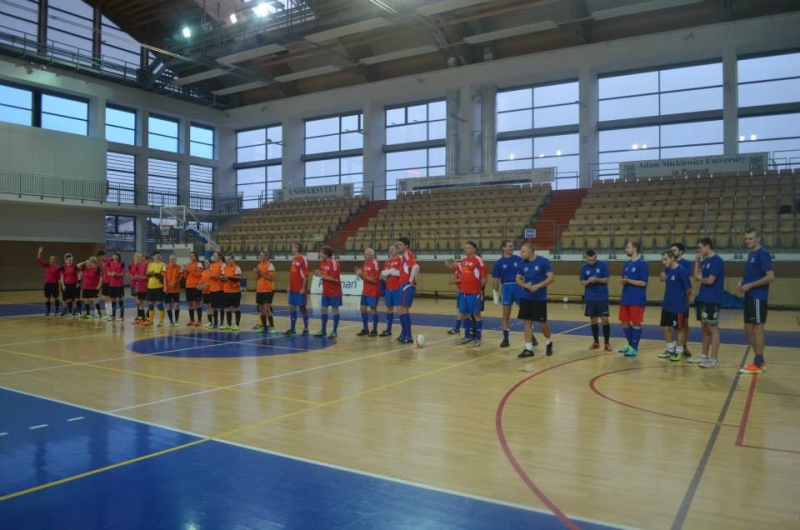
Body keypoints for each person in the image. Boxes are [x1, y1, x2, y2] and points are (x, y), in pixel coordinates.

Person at [737, 228, 775, 375]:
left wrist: (750, 285)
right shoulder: (752, 254)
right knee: (747, 327)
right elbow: (752, 275)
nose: (748, 241)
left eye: (751, 238)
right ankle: (760, 360)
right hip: (750, 296)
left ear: (758, 238)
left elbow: (770, 276)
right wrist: (742, 283)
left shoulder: (763, 253)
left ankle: (758, 362)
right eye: (746, 238)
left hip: (758, 296)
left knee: (758, 328)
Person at [688, 237, 724, 368]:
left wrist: (701, 278)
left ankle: (714, 360)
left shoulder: (717, 261)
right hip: (703, 297)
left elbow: (710, 281)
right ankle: (704, 355)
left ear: (707, 246)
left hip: (712, 298)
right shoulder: (706, 261)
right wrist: (697, 261)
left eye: (700, 248)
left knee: (713, 328)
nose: (699, 250)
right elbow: (696, 277)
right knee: (704, 328)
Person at [515, 242, 555, 358]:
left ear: (531, 251)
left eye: (523, 251)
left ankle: (549, 342)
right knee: (527, 322)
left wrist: (539, 285)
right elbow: (517, 278)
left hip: (539, 298)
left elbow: (551, 277)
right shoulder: (522, 263)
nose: (521, 254)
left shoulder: (543, 261)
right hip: (526, 297)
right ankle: (528, 348)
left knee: (542, 323)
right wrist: (524, 285)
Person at [658, 250, 692, 361]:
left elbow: (688, 289)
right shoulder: (667, 269)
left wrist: (684, 302)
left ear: (672, 258)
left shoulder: (681, 271)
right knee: (665, 327)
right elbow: (662, 277)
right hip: (667, 305)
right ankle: (670, 349)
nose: (663, 262)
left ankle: (679, 351)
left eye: (665, 259)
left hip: (678, 306)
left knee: (679, 329)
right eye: (662, 259)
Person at [618, 241, 649, 357]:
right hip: (626, 297)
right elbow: (623, 279)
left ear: (634, 249)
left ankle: (634, 348)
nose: (626, 249)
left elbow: (643, 283)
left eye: (628, 247)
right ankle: (630, 345)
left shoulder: (642, 264)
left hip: (637, 298)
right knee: (624, 321)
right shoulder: (627, 264)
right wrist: (622, 281)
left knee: (636, 323)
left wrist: (628, 281)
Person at [492, 240, 525, 348]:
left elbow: (526, 272)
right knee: (506, 315)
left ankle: (531, 336)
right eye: (510, 246)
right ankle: (505, 338)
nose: (512, 248)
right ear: (503, 248)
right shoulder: (499, 263)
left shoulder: (519, 260)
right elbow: (496, 279)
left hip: (519, 287)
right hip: (506, 288)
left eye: (512, 246)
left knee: (526, 313)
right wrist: (495, 293)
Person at [580, 249, 612, 351]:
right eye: (589, 260)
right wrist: (588, 281)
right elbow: (582, 282)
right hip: (590, 297)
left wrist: (597, 279)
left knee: (604, 319)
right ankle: (596, 342)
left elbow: (606, 280)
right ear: (586, 259)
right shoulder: (583, 267)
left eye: (593, 260)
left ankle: (607, 343)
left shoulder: (603, 265)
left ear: (596, 257)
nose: (591, 262)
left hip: (602, 296)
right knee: (593, 320)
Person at [457, 241, 487, 347]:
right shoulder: (464, 261)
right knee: (464, 314)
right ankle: (467, 336)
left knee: (476, 314)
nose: (466, 250)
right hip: (464, 292)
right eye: (465, 248)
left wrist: (478, 289)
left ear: (474, 249)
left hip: (474, 293)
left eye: (468, 248)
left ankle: (478, 338)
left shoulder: (479, 260)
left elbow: (483, 278)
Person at [394, 237, 420, 344]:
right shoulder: (403, 257)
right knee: (400, 309)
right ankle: (404, 333)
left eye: (400, 244)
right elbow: (404, 271)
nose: (398, 246)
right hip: (402, 285)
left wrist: (410, 279)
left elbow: (415, 266)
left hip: (407, 286)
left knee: (403, 309)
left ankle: (408, 335)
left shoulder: (408, 254)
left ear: (406, 246)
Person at [314, 246, 342, 339]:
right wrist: (317, 273)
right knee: (323, 309)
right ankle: (323, 330)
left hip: (334, 291)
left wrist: (320, 275)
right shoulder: (322, 262)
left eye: (321, 252)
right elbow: (322, 274)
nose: (320, 254)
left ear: (326, 254)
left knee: (335, 310)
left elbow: (334, 279)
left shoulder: (334, 263)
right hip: (325, 291)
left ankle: (334, 331)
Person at [285, 243, 311, 335]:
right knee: (291, 307)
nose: (291, 248)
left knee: (302, 307)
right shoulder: (293, 259)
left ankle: (306, 328)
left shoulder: (304, 259)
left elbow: (306, 275)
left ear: (297, 248)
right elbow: (292, 274)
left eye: (292, 247)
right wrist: (289, 286)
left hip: (300, 288)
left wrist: (303, 287)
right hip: (293, 288)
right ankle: (292, 329)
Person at [355, 248, 380, 337]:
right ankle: (365, 328)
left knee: (373, 309)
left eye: (367, 254)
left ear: (372, 255)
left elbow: (374, 280)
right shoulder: (365, 263)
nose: (365, 255)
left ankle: (374, 330)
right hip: (365, 290)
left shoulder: (375, 264)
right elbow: (364, 278)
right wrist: (359, 274)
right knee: (362, 308)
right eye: (364, 253)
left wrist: (363, 274)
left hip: (373, 291)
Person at [379, 244, 402, 337]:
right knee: (389, 308)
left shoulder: (400, 260)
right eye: (390, 249)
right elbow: (383, 273)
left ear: (397, 250)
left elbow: (400, 273)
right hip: (389, 288)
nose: (391, 251)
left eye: (393, 249)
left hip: (397, 287)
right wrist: (393, 270)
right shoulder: (388, 261)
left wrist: (390, 271)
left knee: (399, 309)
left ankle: (403, 331)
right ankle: (388, 329)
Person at [255, 250, 277, 335]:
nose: (261, 257)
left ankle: (272, 326)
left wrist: (261, 273)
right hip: (259, 289)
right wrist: (256, 273)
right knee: (261, 308)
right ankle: (263, 326)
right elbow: (257, 278)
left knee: (267, 308)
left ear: (267, 256)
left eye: (262, 255)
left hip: (267, 289)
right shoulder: (259, 265)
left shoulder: (270, 265)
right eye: (260, 255)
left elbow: (270, 278)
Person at [143, 251, 166, 326]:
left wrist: (155, 274)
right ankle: (150, 320)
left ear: (160, 257)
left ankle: (161, 321)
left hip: (159, 286)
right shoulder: (150, 265)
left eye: (159, 256)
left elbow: (163, 276)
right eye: (156, 256)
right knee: (150, 304)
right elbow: (147, 275)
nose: (157, 257)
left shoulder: (163, 265)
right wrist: (149, 274)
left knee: (159, 304)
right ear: (153, 257)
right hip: (150, 286)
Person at [220, 252, 243, 331]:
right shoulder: (225, 268)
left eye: (229, 259)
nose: (228, 261)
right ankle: (229, 324)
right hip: (226, 291)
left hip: (235, 291)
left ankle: (237, 325)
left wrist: (228, 278)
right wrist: (223, 278)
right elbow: (222, 278)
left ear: (233, 259)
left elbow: (237, 279)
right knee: (228, 308)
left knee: (236, 308)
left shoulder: (237, 268)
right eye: (227, 260)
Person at [37, 246, 61, 316]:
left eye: (52, 259)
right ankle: (48, 311)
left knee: (56, 297)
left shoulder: (58, 268)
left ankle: (56, 311)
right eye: (50, 259)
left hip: (55, 284)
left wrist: (59, 286)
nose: (51, 260)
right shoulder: (46, 266)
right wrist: (39, 252)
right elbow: (39, 260)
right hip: (47, 284)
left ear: (55, 260)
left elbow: (60, 278)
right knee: (47, 298)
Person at [444, 258, 464, 336]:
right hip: (460, 291)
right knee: (459, 310)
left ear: (451, 263)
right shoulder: (456, 269)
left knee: (466, 312)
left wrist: (452, 281)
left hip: (464, 291)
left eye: (448, 266)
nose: (448, 268)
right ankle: (457, 329)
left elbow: (463, 278)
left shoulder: (460, 267)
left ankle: (471, 329)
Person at [183, 252, 204, 327]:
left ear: (196, 257)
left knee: (197, 303)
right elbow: (186, 276)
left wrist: (188, 269)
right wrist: (185, 270)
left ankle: (199, 320)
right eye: (190, 256)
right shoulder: (188, 265)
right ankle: (192, 320)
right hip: (188, 286)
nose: (191, 257)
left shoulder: (199, 264)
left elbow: (198, 275)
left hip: (196, 286)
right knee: (190, 304)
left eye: (193, 256)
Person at [163, 254, 183, 327]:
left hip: (176, 289)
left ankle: (176, 320)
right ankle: (171, 321)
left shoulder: (179, 267)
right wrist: (165, 287)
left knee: (176, 305)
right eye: (171, 258)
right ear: (169, 259)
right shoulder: (165, 266)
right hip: (168, 289)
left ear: (176, 259)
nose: (172, 260)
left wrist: (175, 282)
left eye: (173, 259)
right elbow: (164, 278)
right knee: (168, 305)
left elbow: (180, 278)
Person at [105, 252, 126, 321]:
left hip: (119, 284)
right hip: (112, 284)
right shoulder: (110, 263)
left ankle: (122, 316)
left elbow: (122, 274)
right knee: (113, 300)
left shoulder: (122, 263)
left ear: (118, 256)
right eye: (113, 255)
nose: (114, 256)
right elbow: (108, 272)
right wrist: (110, 273)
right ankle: (113, 316)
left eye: (116, 255)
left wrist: (116, 274)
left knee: (120, 299)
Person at [129, 252, 149, 324]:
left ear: (144, 257)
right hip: (138, 286)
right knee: (140, 303)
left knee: (149, 303)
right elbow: (135, 275)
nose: (140, 258)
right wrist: (132, 277)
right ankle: (140, 318)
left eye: (141, 257)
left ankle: (148, 318)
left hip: (146, 286)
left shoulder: (147, 265)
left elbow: (147, 277)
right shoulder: (137, 265)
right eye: (139, 257)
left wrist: (138, 277)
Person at [207, 250, 224, 329]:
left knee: (221, 306)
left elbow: (223, 277)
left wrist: (216, 276)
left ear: (220, 257)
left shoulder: (223, 265)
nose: (214, 257)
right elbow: (210, 275)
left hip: (220, 288)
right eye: (213, 255)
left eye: (216, 255)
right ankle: (215, 322)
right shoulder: (212, 265)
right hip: (212, 288)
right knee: (213, 307)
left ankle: (222, 323)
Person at [60, 253, 80, 318]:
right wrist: (63, 285)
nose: (70, 261)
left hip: (74, 285)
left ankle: (76, 311)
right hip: (66, 285)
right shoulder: (63, 267)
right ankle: (70, 312)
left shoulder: (75, 266)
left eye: (71, 260)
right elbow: (62, 276)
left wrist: (78, 282)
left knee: (75, 299)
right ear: (66, 260)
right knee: (68, 299)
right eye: (68, 260)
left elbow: (78, 274)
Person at [197, 258, 214, 327]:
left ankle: (213, 322)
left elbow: (212, 282)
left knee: (211, 307)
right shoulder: (203, 271)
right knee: (207, 307)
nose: (205, 264)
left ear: (210, 263)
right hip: (205, 292)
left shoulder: (212, 271)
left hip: (211, 291)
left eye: (207, 262)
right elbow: (202, 280)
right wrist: (199, 285)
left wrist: (204, 285)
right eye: (204, 263)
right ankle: (210, 322)